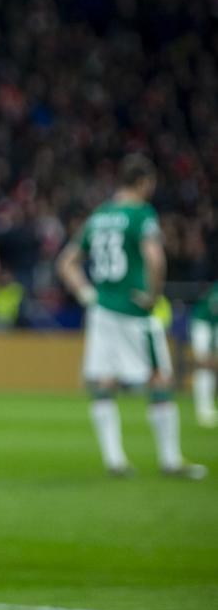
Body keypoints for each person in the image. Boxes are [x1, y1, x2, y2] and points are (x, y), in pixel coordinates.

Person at [56, 154, 206, 479]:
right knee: (159, 378)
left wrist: (86, 293)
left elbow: (66, 262)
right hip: (135, 312)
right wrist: (152, 296)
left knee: (104, 383)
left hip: (102, 312)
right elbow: (155, 258)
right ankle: (170, 460)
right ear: (144, 182)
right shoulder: (141, 214)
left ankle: (115, 460)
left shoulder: (98, 216)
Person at [190, 280, 218, 428]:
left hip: (212, 326)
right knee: (204, 365)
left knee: (210, 367)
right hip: (202, 324)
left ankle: (208, 406)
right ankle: (202, 408)